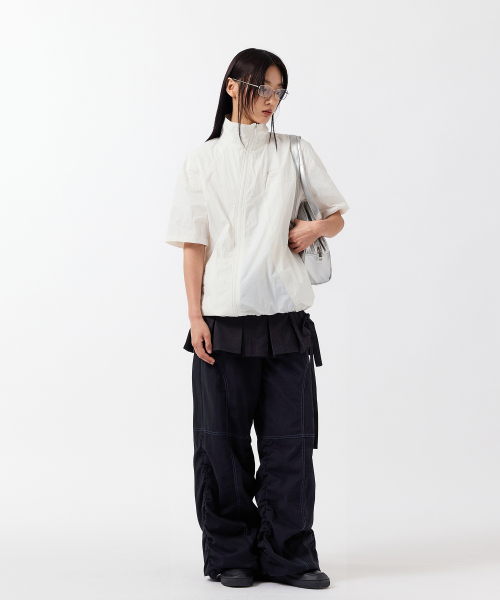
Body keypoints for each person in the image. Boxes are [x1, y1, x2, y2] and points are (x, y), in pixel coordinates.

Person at [165, 48, 349, 590]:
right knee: (220, 446)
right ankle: (232, 556)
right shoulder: (202, 161)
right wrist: (195, 316)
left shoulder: (294, 151)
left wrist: (315, 229)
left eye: (278, 91)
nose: (271, 100)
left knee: (290, 444)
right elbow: (193, 245)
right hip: (222, 322)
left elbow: (336, 216)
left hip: (286, 321)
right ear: (232, 86)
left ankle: (289, 555)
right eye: (262, 88)